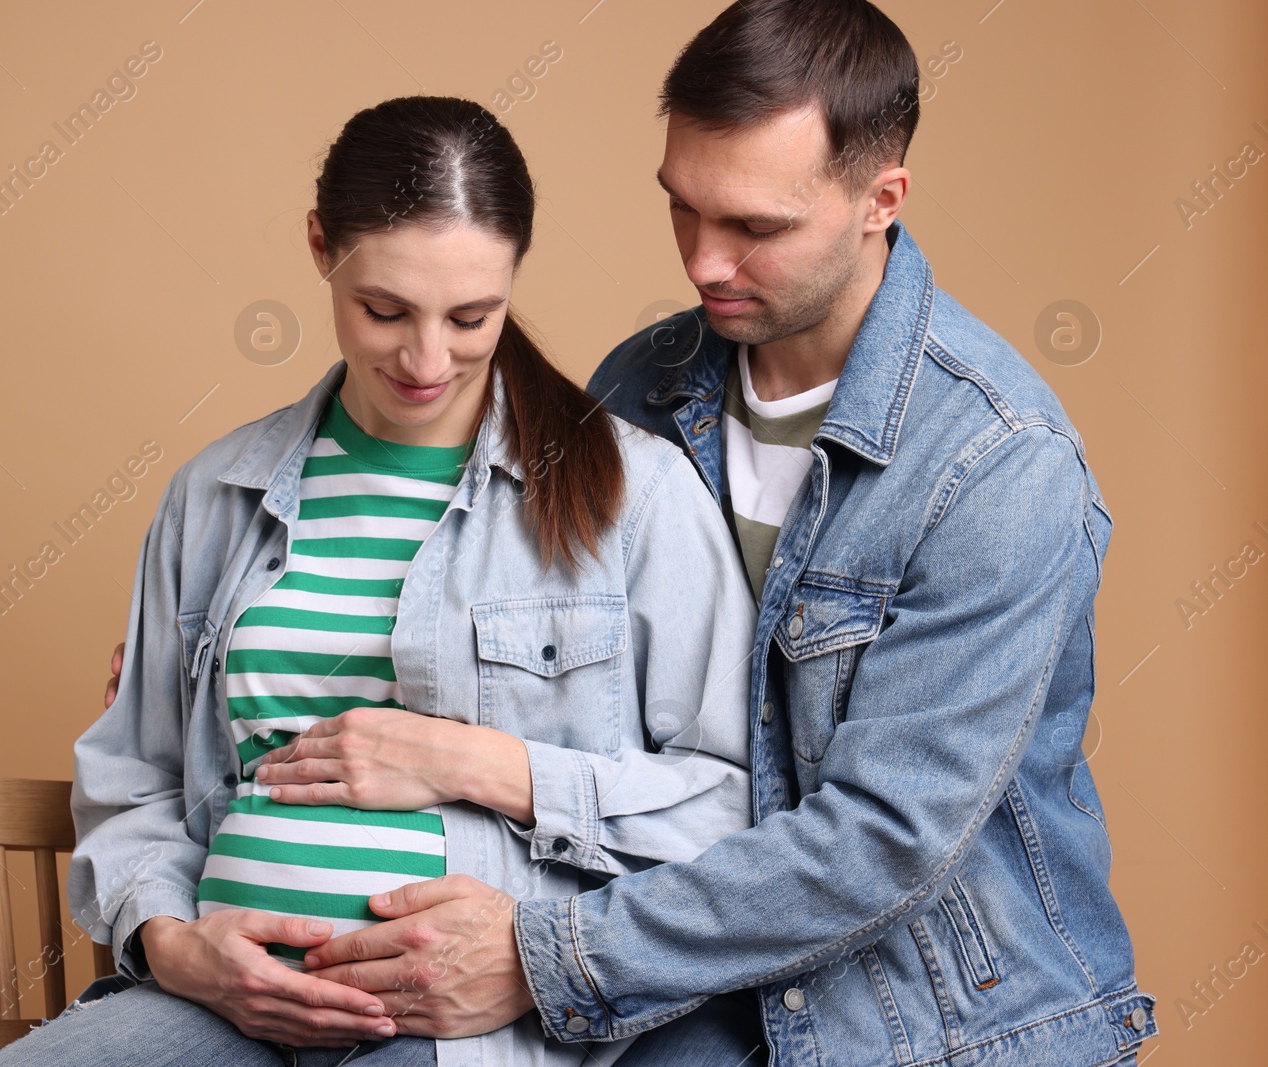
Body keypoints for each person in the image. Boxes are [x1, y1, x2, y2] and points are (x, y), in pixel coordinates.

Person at [102, 3, 1158, 1065]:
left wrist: (533, 944)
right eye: (682, 208)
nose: (703, 263)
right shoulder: (641, 391)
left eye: (753, 227)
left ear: (879, 200)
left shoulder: (996, 463)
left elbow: (877, 840)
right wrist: (221, 674)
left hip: (918, 1007)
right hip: (672, 977)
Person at [0, 96, 756, 1067]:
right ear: (321, 248)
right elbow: (132, 778)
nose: (427, 358)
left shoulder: (632, 496)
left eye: (472, 316)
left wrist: (473, 763)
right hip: (225, 1006)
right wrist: (175, 944)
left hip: (465, 1024)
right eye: (384, 309)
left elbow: (734, 804)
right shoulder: (214, 495)